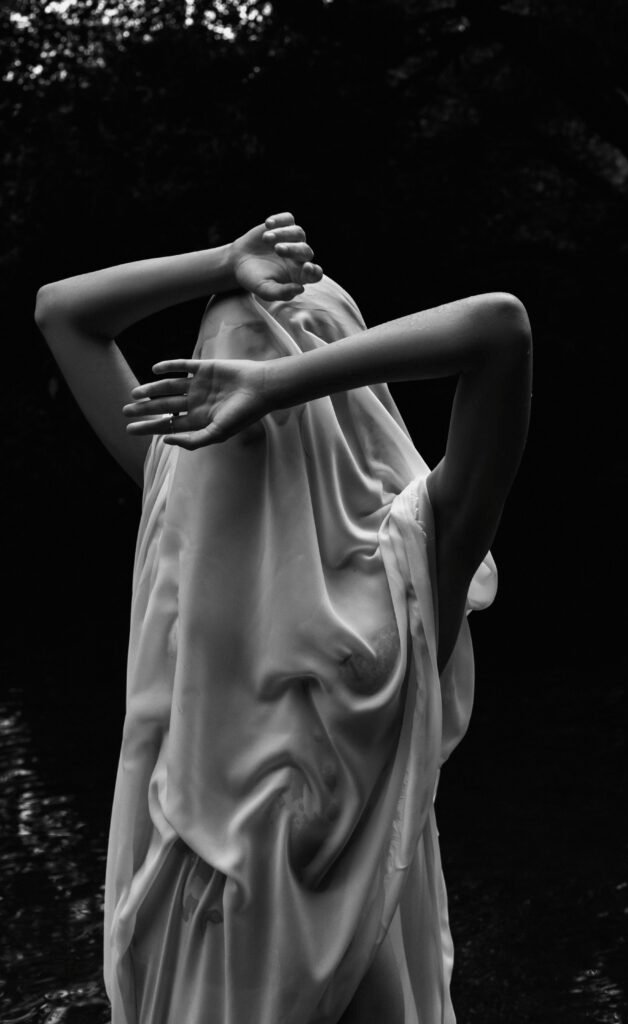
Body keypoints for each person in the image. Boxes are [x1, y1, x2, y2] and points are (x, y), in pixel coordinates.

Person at [35, 212, 532, 1024]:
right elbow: (498, 334)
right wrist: (239, 284)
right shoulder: (407, 572)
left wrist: (258, 356)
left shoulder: (404, 562)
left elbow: (499, 327)